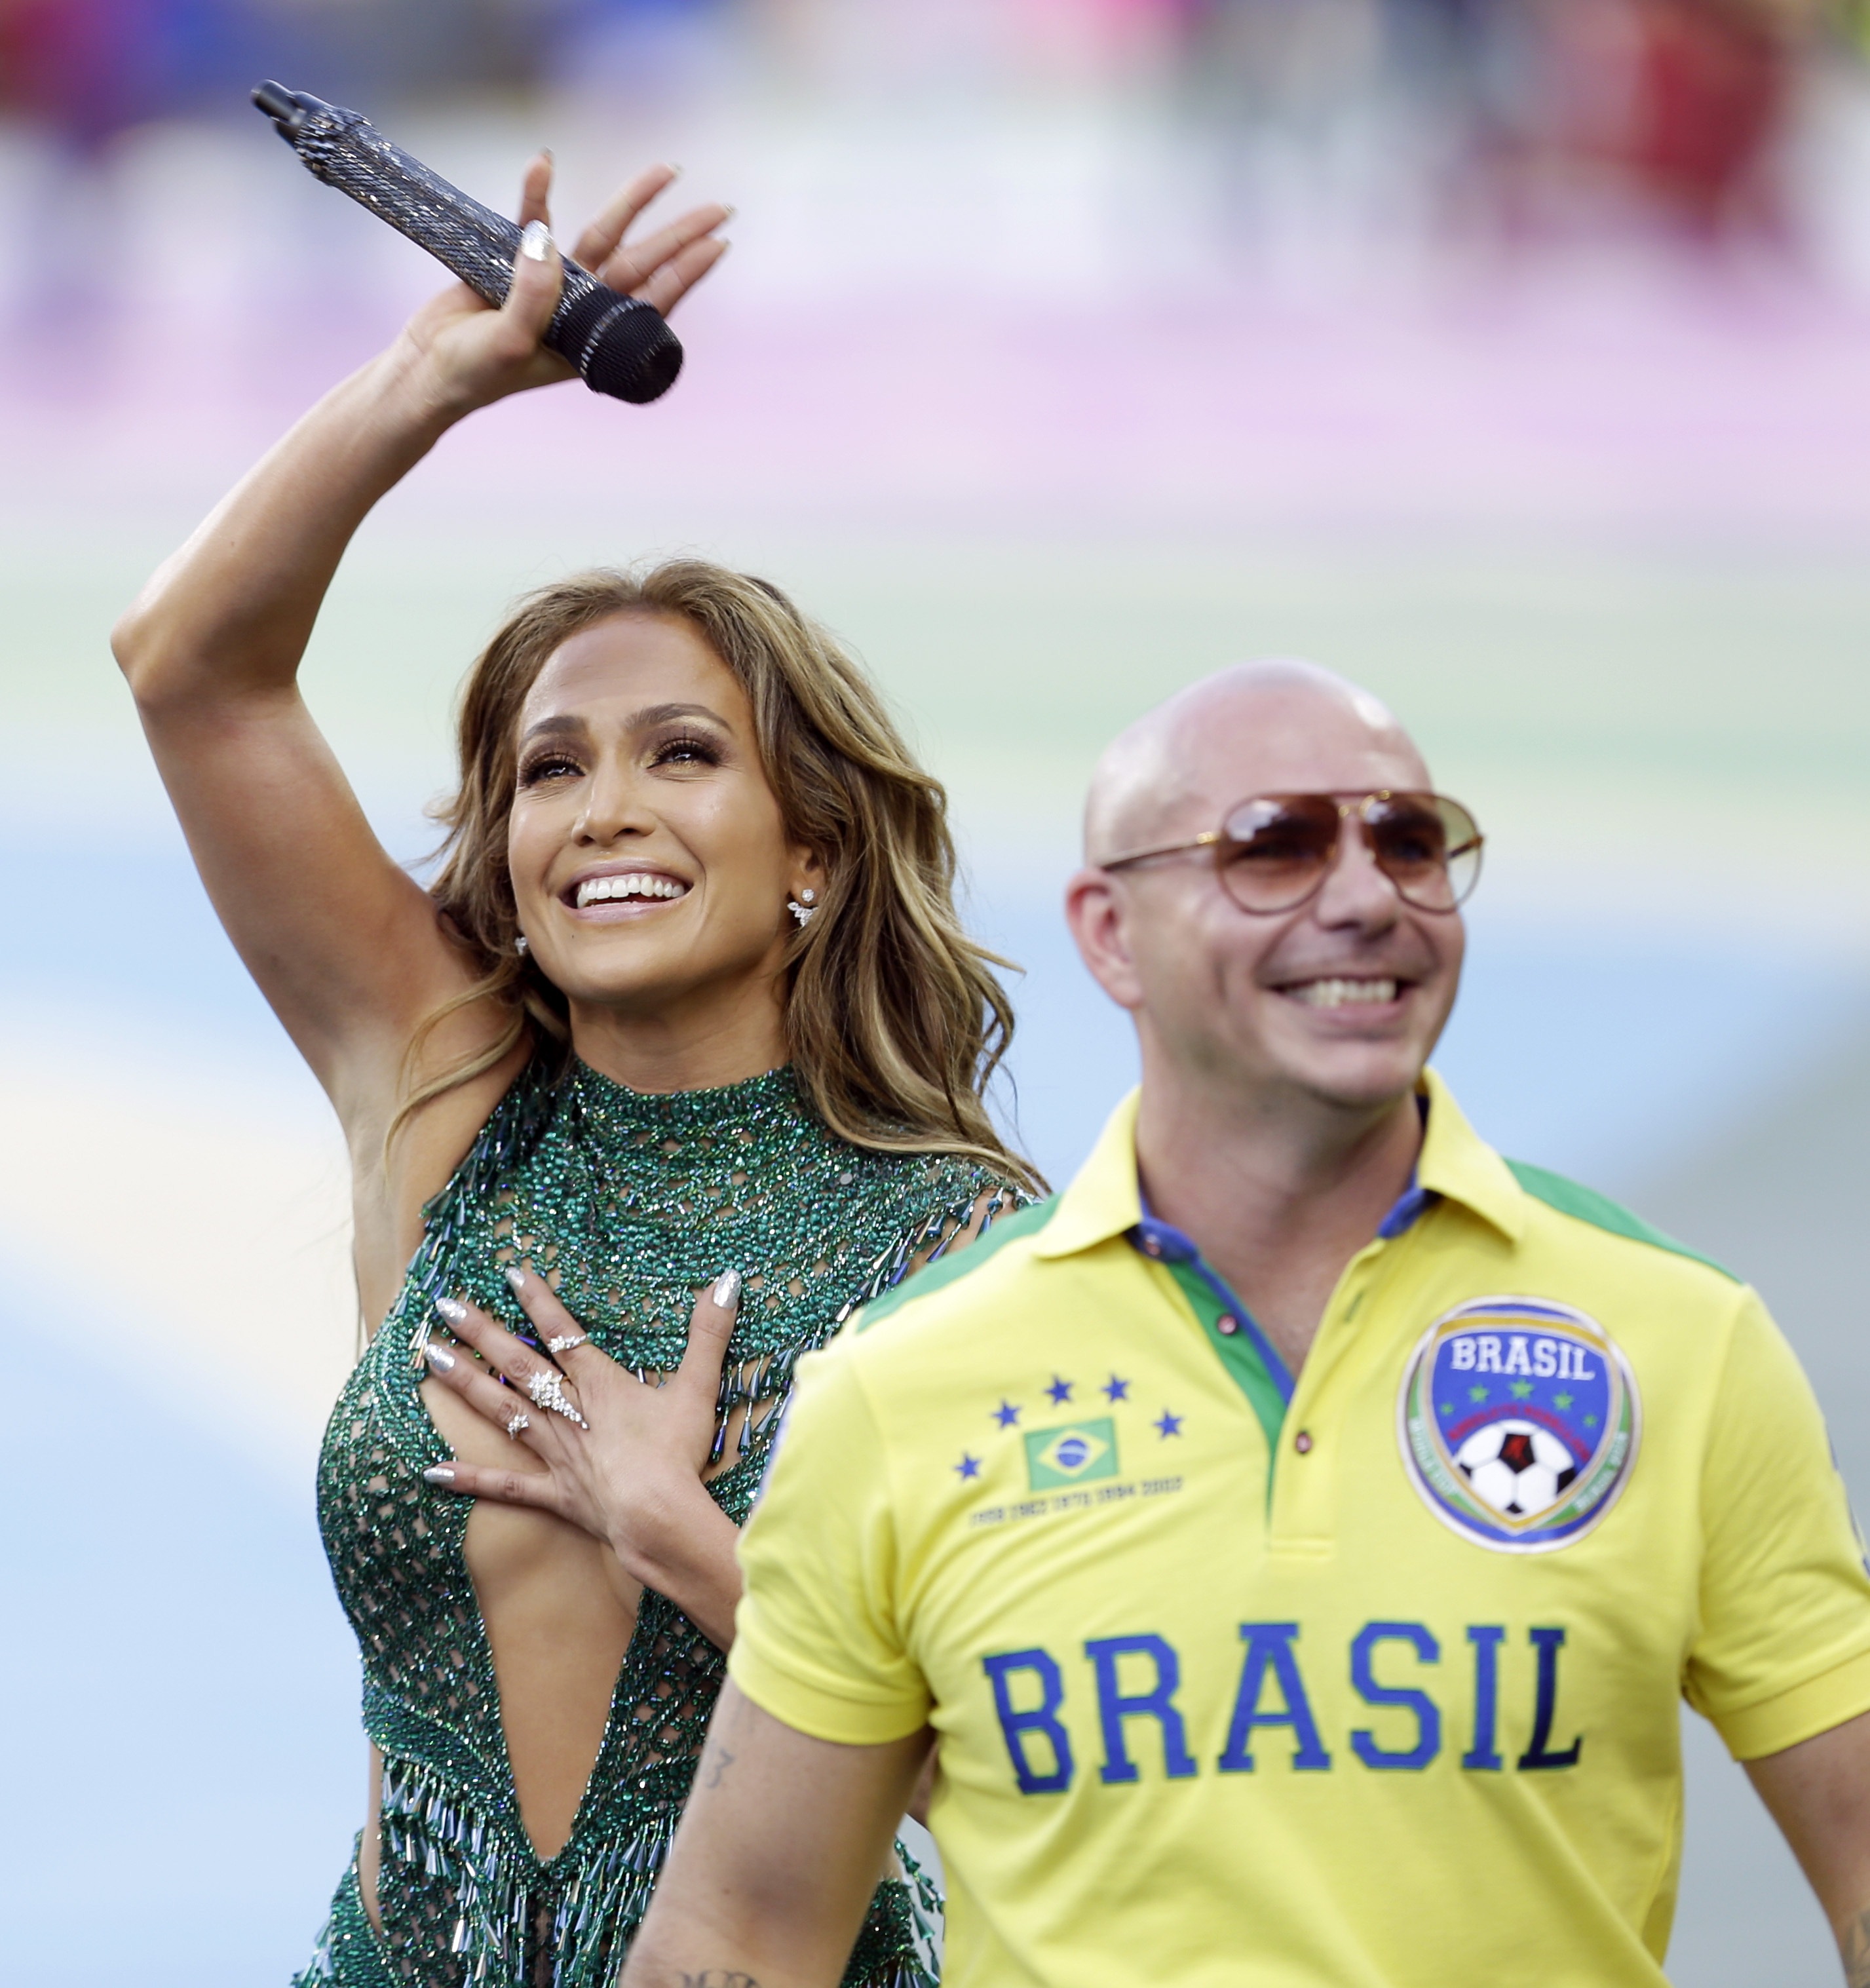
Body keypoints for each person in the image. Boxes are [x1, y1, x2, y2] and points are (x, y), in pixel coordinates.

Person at [112, 155, 1036, 1988]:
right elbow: (191, 671)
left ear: (813, 851)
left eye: (680, 754)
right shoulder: (442, 1092)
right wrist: (432, 382)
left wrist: (685, 1539)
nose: (602, 806)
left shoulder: (963, 1246)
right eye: (548, 770)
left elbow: (1021, 1777)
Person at [617, 660, 1870, 1987]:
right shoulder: (902, 1383)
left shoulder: (1673, 1335)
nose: (1363, 896)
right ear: (1107, 932)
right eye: (1274, 845)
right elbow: (741, 1932)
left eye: (1407, 840)